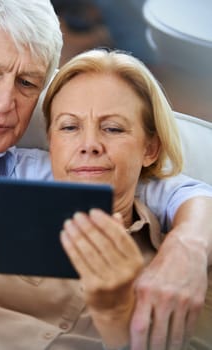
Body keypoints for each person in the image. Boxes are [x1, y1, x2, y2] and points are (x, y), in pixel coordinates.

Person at [0, 0, 211, 348]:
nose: (3, 103)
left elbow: (167, 186)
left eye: (28, 83)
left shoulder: (34, 176)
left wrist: (188, 243)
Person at [43, 48, 212, 349]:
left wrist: (118, 319)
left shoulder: (190, 276)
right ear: (50, 142)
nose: (89, 145)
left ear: (150, 150)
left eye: (112, 128)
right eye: (69, 127)